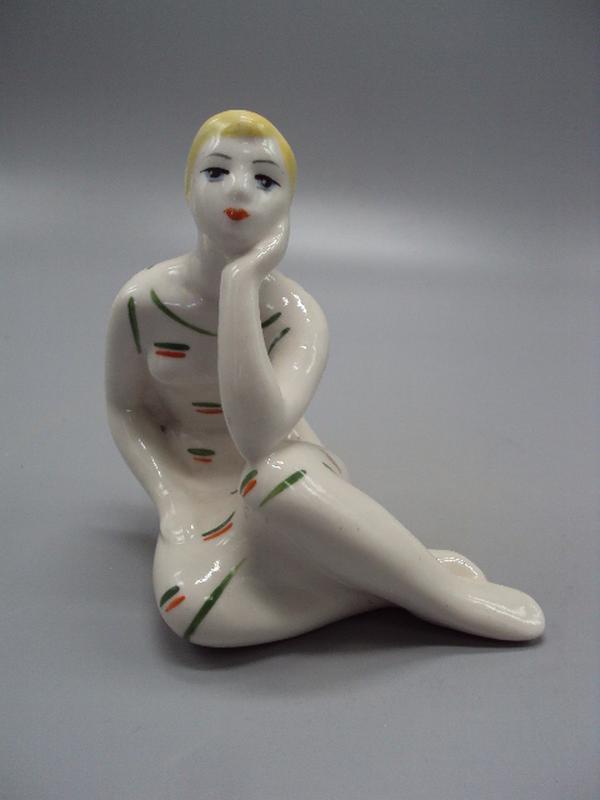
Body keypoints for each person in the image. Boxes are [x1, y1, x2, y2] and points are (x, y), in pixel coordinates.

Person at [106, 110, 545, 647]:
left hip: (292, 480)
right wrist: (171, 497)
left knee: (271, 478)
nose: (238, 189)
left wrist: (241, 282)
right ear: (187, 188)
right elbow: (126, 409)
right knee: (192, 613)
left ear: (287, 206)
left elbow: (257, 438)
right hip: (196, 494)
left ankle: (447, 599)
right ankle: (393, 584)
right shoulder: (142, 303)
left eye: (265, 179)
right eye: (216, 171)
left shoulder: (296, 316)